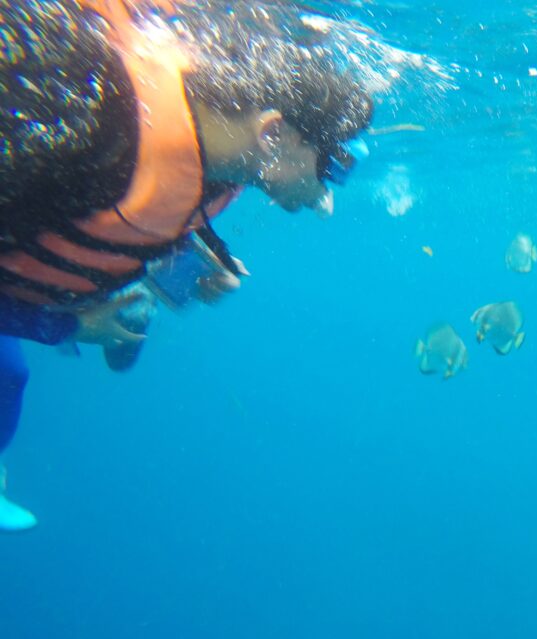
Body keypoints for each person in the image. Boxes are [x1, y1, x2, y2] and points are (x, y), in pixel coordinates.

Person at [0, 0, 374, 519]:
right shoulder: (74, 117)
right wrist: (64, 325)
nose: (327, 191)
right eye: (331, 162)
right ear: (273, 133)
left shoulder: (222, 155)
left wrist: (174, 253)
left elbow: (136, 200)